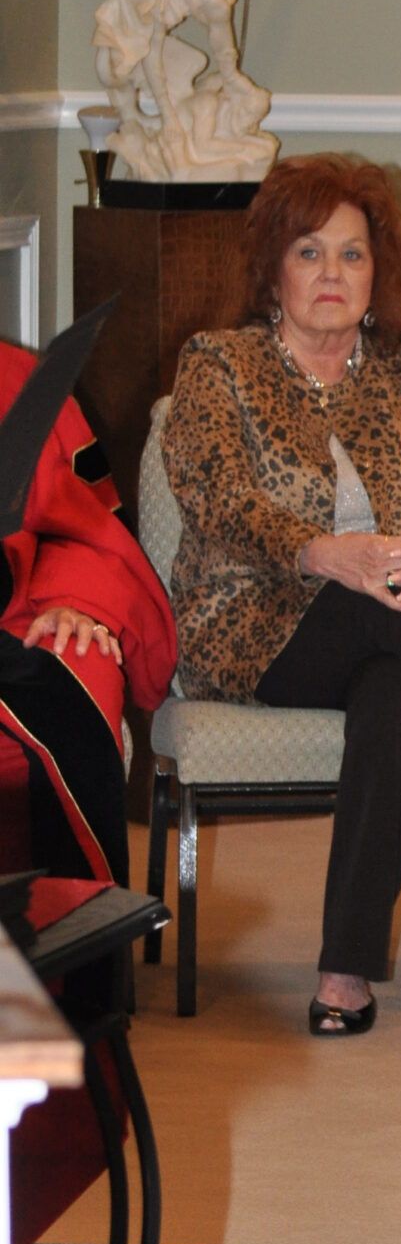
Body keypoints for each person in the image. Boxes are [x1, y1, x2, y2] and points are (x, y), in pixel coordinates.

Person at [162, 154, 401, 1033]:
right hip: (250, 619)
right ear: (273, 268)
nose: (332, 274)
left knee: (397, 695)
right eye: (309, 252)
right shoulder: (220, 363)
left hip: (393, 624)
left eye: (352, 254)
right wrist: (323, 554)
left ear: (378, 272)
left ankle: (343, 973)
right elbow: (215, 494)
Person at [1, 341, 176, 883]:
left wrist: (74, 601)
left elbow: (81, 525)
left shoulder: (19, 383)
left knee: (80, 659)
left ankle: (71, 931)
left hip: (10, 621)